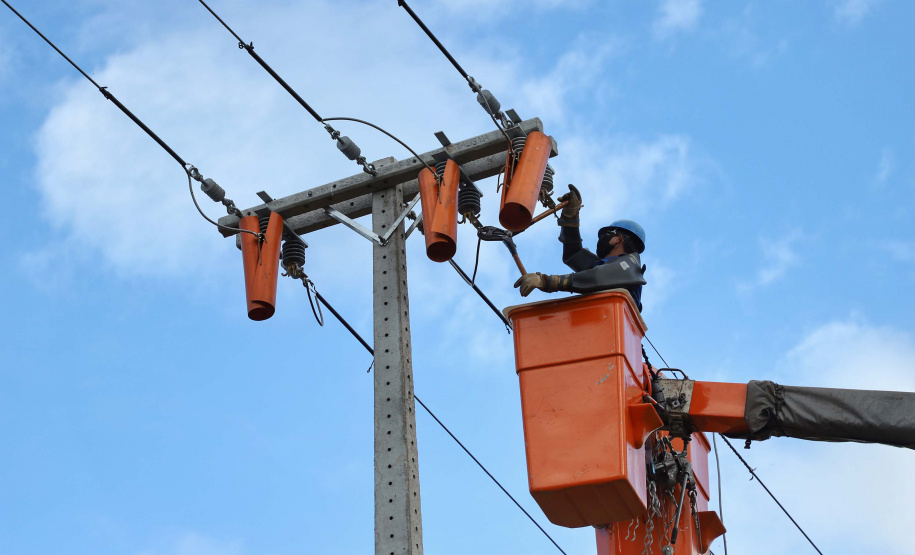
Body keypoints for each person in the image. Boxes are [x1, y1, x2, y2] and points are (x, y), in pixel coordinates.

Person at [513, 185, 647, 310]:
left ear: (619, 238)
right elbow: (574, 254)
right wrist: (570, 218)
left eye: (606, 235)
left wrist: (546, 281)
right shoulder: (606, 267)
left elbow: (596, 277)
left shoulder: (629, 265)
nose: (601, 239)